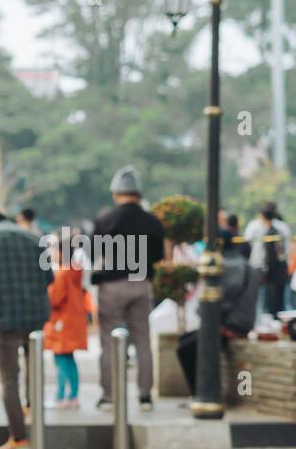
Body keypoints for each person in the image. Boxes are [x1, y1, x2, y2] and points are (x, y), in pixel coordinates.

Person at [0, 209, 51, 449]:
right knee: (34, 370)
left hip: (2, 316)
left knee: (9, 379)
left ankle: (19, 438)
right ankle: (31, 413)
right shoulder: (35, 237)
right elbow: (49, 277)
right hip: (35, 313)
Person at [91, 165, 164, 412]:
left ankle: (109, 397)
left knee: (109, 340)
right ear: (139, 194)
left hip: (111, 285)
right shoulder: (152, 221)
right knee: (143, 340)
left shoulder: (105, 220)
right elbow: (158, 255)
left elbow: (94, 253)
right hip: (142, 284)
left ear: (115, 193)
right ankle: (145, 396)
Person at [177, 228, 259, 397]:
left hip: (233, 323)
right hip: (231, 320)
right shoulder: (234, 262)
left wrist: (205, 315)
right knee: (184, 341)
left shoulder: (230, 265)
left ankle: (202, 393)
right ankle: (200, 391)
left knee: (185, 348)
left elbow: (223, 300)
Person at [43, 231, 89, 410]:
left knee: (61, 360)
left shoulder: (62, 274)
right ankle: (74, 395)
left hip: (61, 323)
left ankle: (61, 395)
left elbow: (54, 299)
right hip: (73, 320)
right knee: (70, 360)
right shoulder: (75, 270)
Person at [243, 202, 291, 317]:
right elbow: (287, 249)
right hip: (261, 266)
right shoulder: (281, 227)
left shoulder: (279, 227)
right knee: (268, 299)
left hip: (272, 268)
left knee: (269, 299)